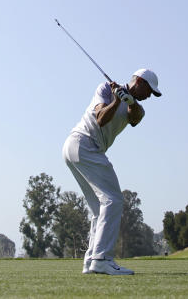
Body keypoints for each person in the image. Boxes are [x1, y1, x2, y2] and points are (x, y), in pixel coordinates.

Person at [63, 68, 162, 275]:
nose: (149, 96)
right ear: (139, 82)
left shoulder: (139, 109)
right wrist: (116, 100)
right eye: (149, 91)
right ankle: (102, 258)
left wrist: (129, 101)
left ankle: (91, 260)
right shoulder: (105, 89)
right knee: (113, 200)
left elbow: (134, 116)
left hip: (84, 149)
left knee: (99, 209)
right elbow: (100, 118)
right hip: (82, 143)